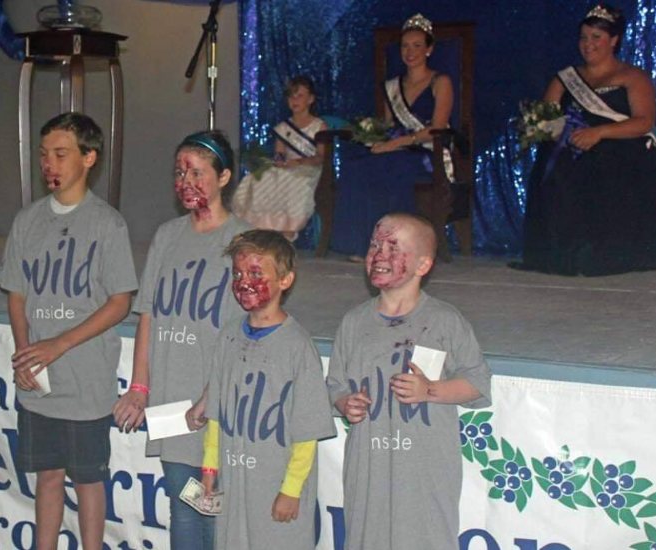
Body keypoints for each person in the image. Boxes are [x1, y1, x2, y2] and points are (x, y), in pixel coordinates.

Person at [0, 112, 139, 550]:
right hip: (42, 385)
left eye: (61, 154)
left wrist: (59, 344)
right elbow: (16, 294)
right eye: (44, 155)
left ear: (89, 158)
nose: (49, 165)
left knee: (89, 480)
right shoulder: (28, 220)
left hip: (86, 383)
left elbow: (120, 301)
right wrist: (26, 354)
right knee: (48, 476)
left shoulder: (107, 223)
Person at [112, 130, 252, 550]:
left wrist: (214, 394)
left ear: (224, 177)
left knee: (217, 511)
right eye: (179, 172)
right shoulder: (167, 236)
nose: (186, 180)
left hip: (219, 403)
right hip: (173, 403)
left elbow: (248, 329)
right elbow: (148, 312)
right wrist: (139, 388)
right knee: (185, 507)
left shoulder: (244, 242)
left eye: (197, 171)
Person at [326, 213, 491, 550]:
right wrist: (345, 403)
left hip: (424, 474)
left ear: (422, 265)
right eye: (374, 245)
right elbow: (335, 385)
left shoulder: (445, 321)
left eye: (393, 247)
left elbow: (478, 383)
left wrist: (430, 390)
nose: (379, 255)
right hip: (368, 471)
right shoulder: (354, 322)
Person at [200, 229, 336, 550]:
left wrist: (290, 490)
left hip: (276, 486)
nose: (244, 280)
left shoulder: (297, 347)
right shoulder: (229, 336)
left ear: (285, 280)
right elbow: (217, 414)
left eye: (256, 273)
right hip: (234, 484)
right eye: (238, 273)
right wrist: (210, 467)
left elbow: (306, 432)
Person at [518, 4, 656, 276]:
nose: (588, 44)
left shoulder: (633, 77)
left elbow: (644, 121)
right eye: (584, 37)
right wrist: (543, 126)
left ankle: (605, 254)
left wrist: (598, 132)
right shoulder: (565, 78)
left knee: (606, 163)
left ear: (614, 40)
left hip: (621, 147)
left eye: (596, 37)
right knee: (555, 161)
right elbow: (542, 122)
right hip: (574, 146)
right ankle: (563, 253)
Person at [332, 14, 455, 260]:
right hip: (397, 148)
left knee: (390, 167)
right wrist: (373, 138)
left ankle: (396, 246)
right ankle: (360, 244)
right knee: (356, 165)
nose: (410, 52)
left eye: (417, 46)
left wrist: (396, 144)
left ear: (429, 49)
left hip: (427, 152)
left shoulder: (440, 81)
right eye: (405, 46)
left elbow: (437, 127)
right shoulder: (392, 86)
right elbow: (388, 125)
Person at [231, 76, 327, 241]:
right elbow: (279, 153)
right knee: (259, 178)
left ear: (311, 99)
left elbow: (321, 156)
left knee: (295, 180)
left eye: (300, 96)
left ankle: (288, 229)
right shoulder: (283, 127)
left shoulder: (319, 126)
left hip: (309, 168)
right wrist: (280, 161)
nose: (294, 100)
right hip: (287, 167)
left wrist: (300, 162)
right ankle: (258, 226)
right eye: (291, 96)